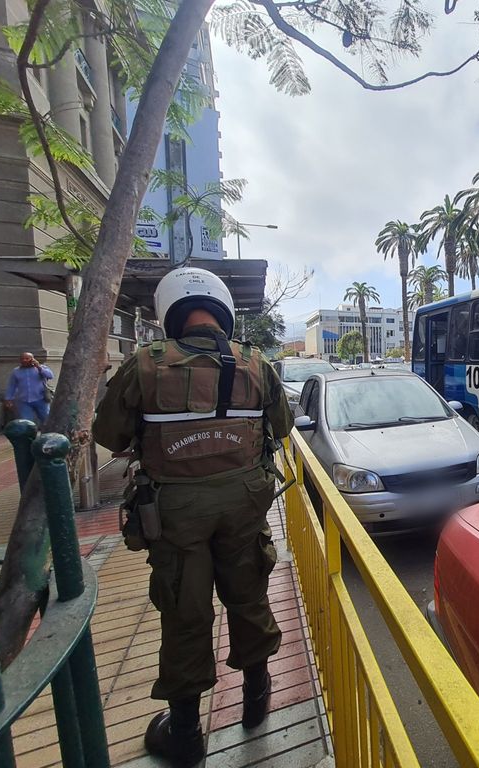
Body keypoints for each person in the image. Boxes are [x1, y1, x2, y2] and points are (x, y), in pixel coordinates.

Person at [92, 267, 292, 767]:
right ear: (223, 310)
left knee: (185, 611)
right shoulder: (255, 363)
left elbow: (109, 436)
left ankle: (185, 734)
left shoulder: (144, 364)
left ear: (169, 312)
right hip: (244, 504)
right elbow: (284, 425)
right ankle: (256, 700)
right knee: (248, 597)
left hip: (175, 512)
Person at [4, 352, 54, 427]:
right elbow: (12, 385)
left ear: (32, 359)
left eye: (27, 358)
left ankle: (48, 432)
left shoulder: (41, 368)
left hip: (41, 399)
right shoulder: (16, 371)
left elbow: (50, 376)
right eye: (22, 359)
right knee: (26, 423)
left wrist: (39, 367)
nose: (24, 360)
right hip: (24, 401)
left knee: (46, 419)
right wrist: (8, 399)